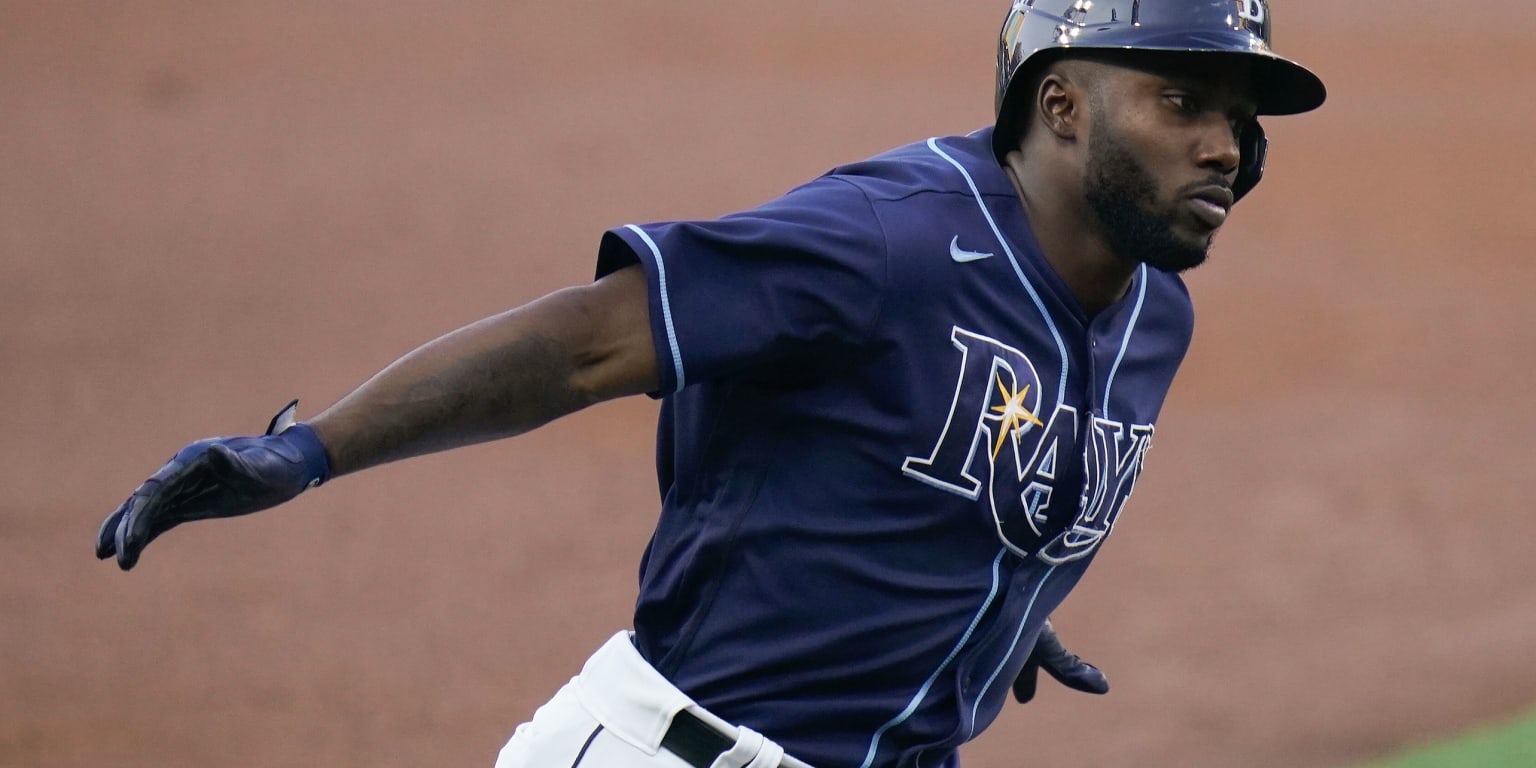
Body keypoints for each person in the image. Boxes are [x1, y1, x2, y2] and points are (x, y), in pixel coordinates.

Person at [96, 1, 1325, 766]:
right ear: (1060, 103)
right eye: (1181, 102)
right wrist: (312, 452)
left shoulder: (1155, 310)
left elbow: (947, 442)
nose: (1225, 143)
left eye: (1238, 114)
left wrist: (983, 577)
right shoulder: (887, 238)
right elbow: (586, 342)